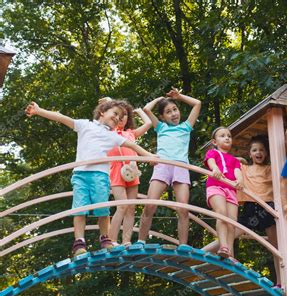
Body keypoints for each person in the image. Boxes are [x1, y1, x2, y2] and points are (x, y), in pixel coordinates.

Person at [25, 100, 157, 257]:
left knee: (103, 209)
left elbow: (134, 146)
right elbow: (61, 117)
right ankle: (79, 242)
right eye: (115, 113)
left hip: (100, 176)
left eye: (120, 116)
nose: (117, 118)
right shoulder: (85, 125)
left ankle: (105, 238)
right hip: (80, 175)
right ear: (102, 112)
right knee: (80, 209)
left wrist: (149, 156)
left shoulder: (113, 136)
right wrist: (39, 110)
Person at [203, 135, 281, 285]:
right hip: (250, 207)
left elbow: (282, 171)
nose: (258, 153)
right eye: (254, 150)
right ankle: (201, 252)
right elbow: (231, 161)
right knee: (229, 235)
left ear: (266, 153)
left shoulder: (271, 169)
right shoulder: (243, 168)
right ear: (250, 153)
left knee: (276, 247)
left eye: (262, 150)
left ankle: (280, 281)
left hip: (267, 208)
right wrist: (241, 160)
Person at [137, 87, 201, 245]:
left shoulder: (186, 127)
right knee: (150, 204)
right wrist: (159, 99)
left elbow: (197, 103)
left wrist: (179, 96)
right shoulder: (161, 127)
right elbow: (146, 109)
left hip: (180, 167)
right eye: (168, 112)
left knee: (183, 208)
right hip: (163, 166)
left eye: (175, 109)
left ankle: (183, 245)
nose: (174, 113)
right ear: (162, 117)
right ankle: (140, 240)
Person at [107, 100, 152, 246]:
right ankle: (112, 240)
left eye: (125, 114)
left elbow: (148, 124)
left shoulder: (131, 133)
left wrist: (139, 112)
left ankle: (126, 241)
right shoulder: (108, 131)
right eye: (118, 114)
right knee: (121, 206)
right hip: (116, 171)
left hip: (132, 172)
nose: (122, 117)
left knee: (131, 208)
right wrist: (109, 103)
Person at [204, 126, 243, 259]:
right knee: (222, 213)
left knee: (232, 221)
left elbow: (238, 172)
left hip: (231, 189)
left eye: (229, 136)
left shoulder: (235, 160)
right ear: (214, 142)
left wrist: (239, 180)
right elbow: (211, 162)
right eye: (222, 135)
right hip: (216, 186)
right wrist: (215, 168)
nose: (227, 137)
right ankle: (223, 246)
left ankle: (229, 253)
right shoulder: (213, 153)